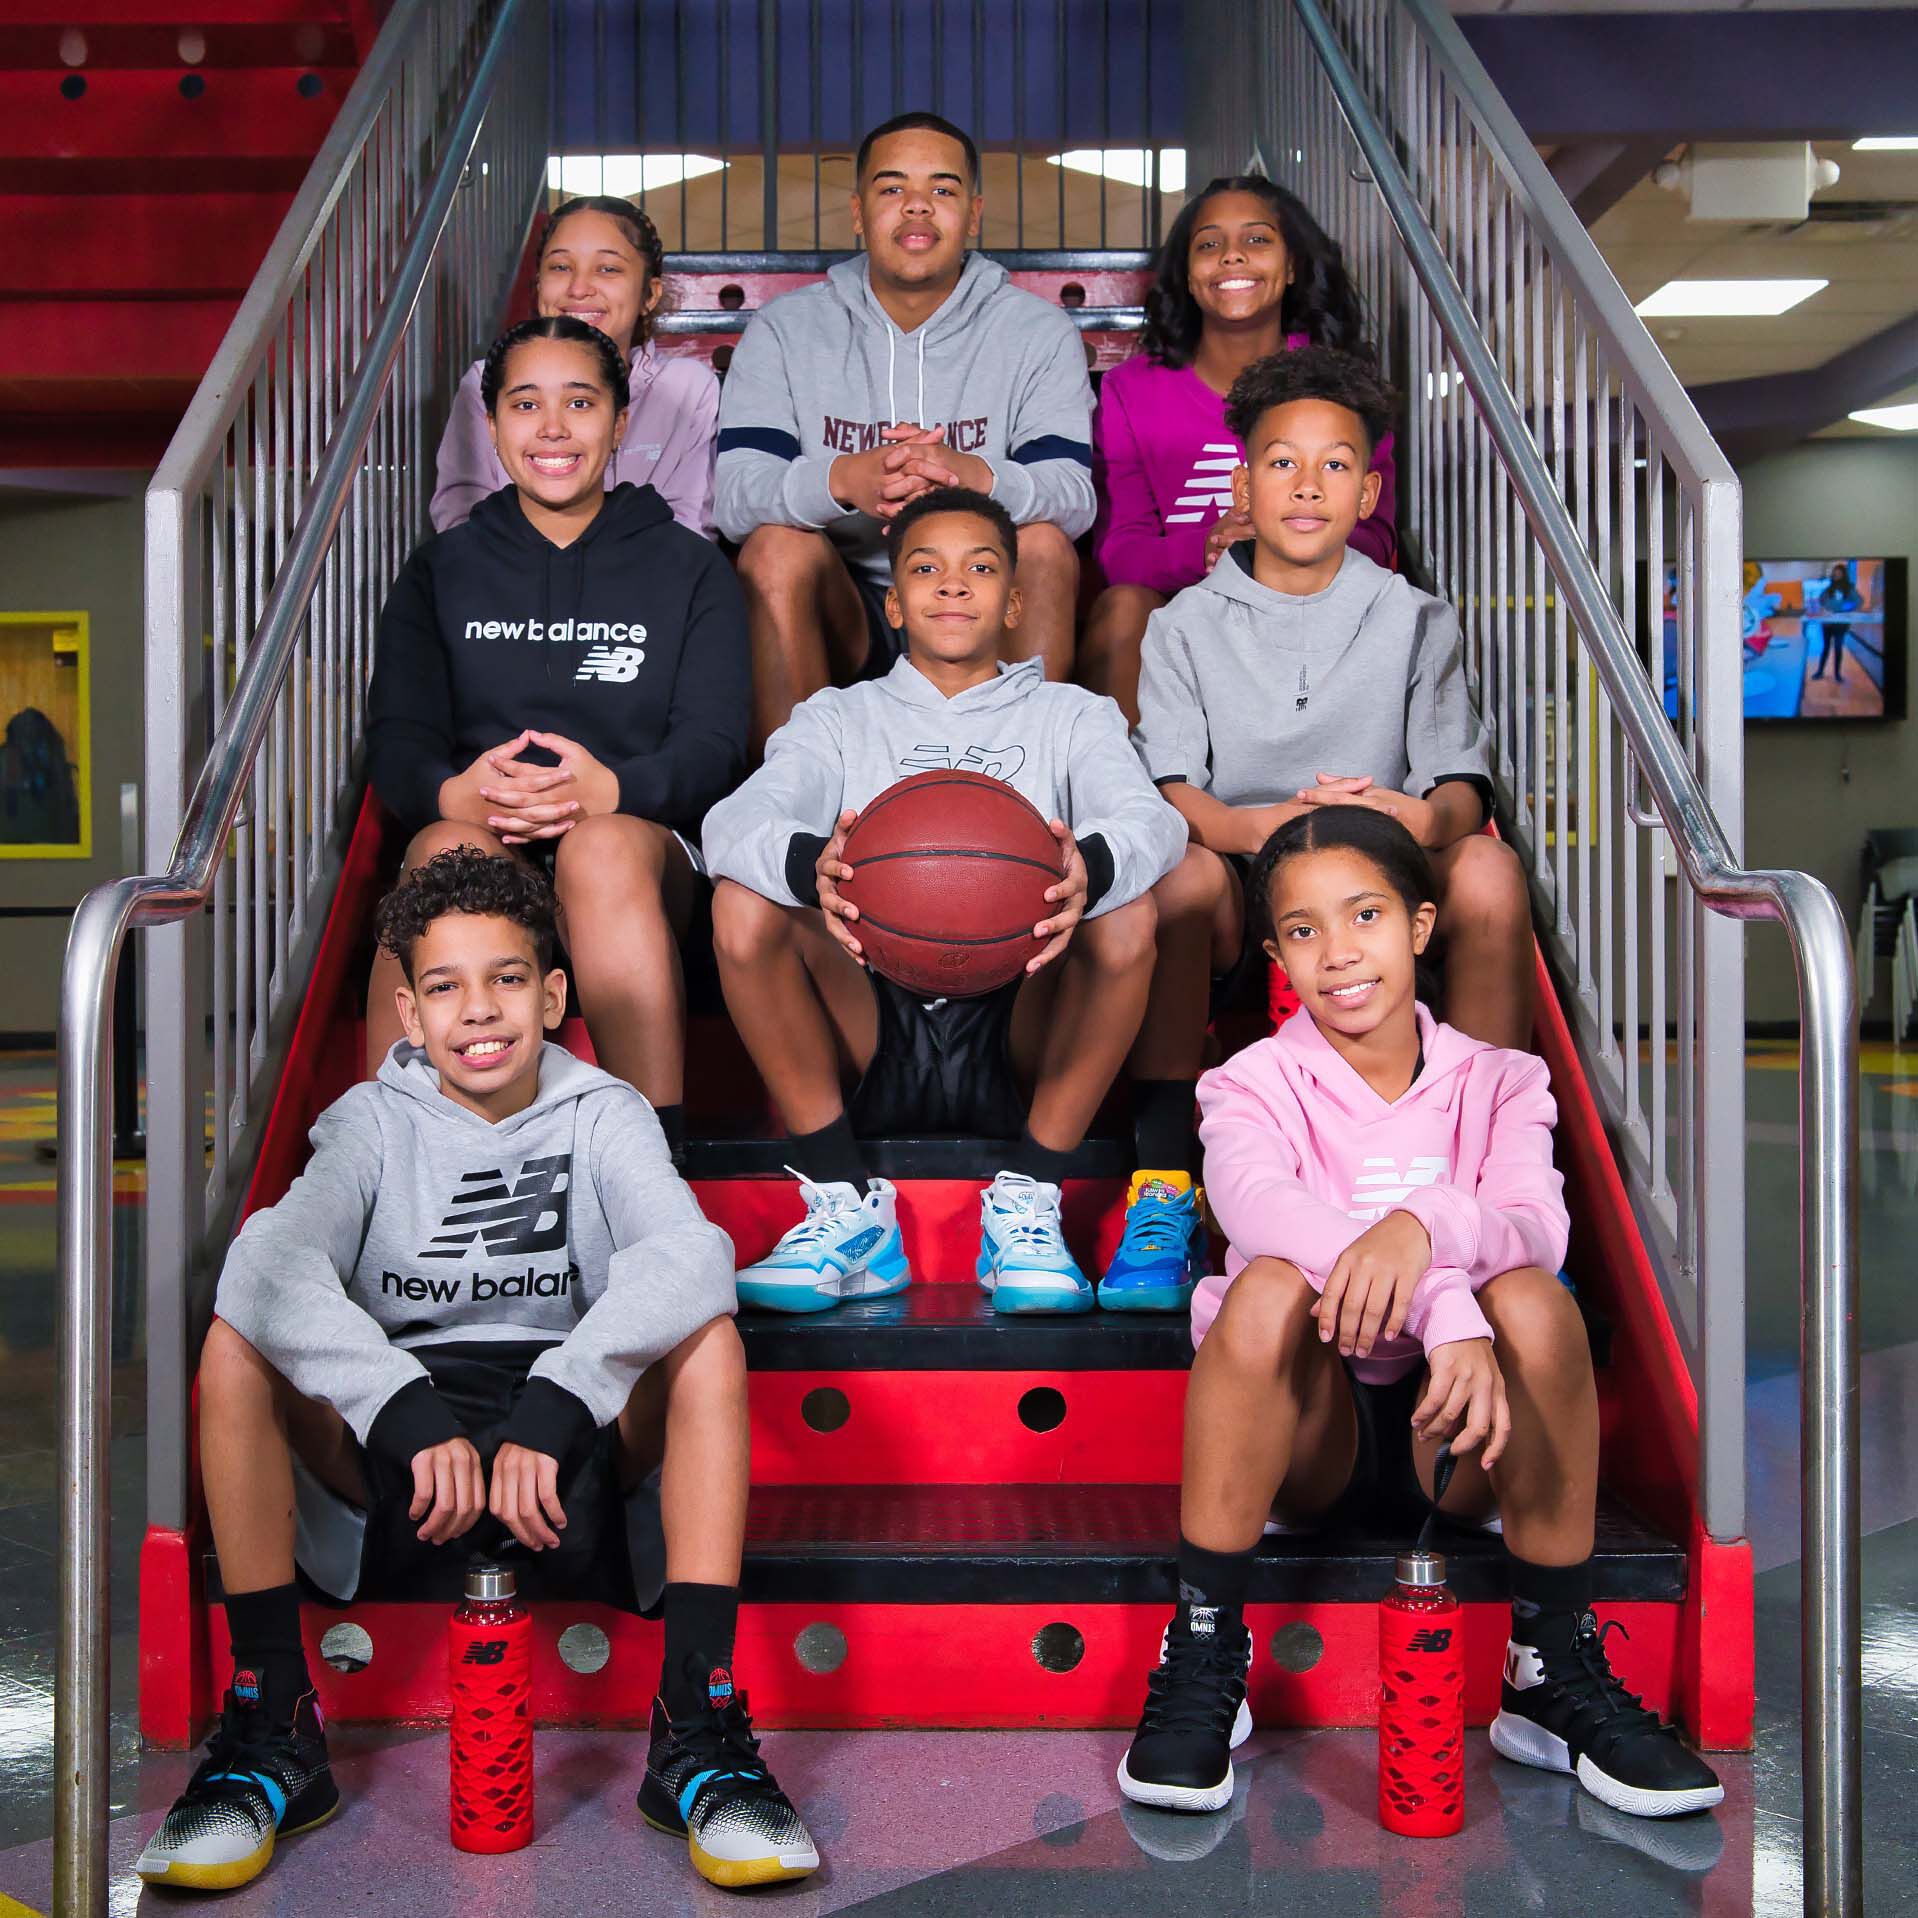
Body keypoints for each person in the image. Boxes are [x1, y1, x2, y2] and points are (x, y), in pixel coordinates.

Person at [135, 851, 820, 1893]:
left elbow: (688, 1257)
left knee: (706, 1337)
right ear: (409, 1013)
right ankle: (270, 1722)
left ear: (552, 995)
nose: (479, 1010)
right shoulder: (369, 1123)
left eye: (506, 978)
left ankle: (699, 1724)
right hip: (406, 1465)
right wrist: (397, 1405)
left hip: (565, 1455)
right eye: (446, 986)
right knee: (237, 1341)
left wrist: (562, 1395)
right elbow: (266, 1267)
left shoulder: (606, 1114)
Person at [1116, 806, 1724, 1825]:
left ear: (1422, 925)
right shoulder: (1247, 1084)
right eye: (1303, 930)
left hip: (1465, 1434)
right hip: (1309, 1436)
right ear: (1275, 955)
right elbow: (1260, 1209)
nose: (1339, 953)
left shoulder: (1502, 1078)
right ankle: (1208, 1636)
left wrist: (1423, 1223)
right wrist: (1443, 1297)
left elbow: (1536, 1224)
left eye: (1365, 915)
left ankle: (1548, 1665)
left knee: (1534, 1296)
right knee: (1267, 1281)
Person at [702, 486, 1185, 1315]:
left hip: (1022, 1010)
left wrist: (1088, 872)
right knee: (743, 904)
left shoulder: (1071, 714)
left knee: (1131, 909)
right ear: (893, 602)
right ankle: (846, 1204)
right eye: (927, 568)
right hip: (872, 1008)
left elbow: (1153, 820)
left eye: (981, 568)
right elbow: (732, 821)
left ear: (1014, 602)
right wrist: (811, 864)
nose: (953, 586)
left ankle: (1031, 1199)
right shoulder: (838, 717)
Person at [365, 316, 749, 1148]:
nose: (551, 428)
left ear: (618, 423)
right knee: (442, 847)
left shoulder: (689, 567)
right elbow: (397, 740)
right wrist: (457, 792)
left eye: (580, 403)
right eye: (524, 404)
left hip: (641, 855)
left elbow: (715, 746)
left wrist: (612, 791)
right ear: (492, 424)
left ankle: (654, 1168)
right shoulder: (441, 570)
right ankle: (396, 1162)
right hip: (486, 839)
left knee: (599, 848)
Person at [715, 111, 1095, 753]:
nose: (917, 209)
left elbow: (1074, 496)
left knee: (1047, 547)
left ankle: (1023, 795)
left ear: (973, 214)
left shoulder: (1037, 331)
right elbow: (735, 499)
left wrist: (972, 477)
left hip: (979, 593)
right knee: (774, 549)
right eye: (892, 190)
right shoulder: (785, 328)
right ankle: (791, 815)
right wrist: (846, 479)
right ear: (859, 212)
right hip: (849, 604)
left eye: (942, 191)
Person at [1082, 176, 1399, 723]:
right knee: (1123, 607)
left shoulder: (1343, 386)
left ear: (1293, 265)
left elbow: (1375, 534)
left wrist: (1282, 550)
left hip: (1310, 605)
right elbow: (1119, 551)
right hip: (1180, 608)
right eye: (1208, 244)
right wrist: (1208, 548)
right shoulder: (1130, 390)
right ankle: (1130, 802)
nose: (1231, 256)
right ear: (1185, 273)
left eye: (1256, 240)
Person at [431, 196, 718, 538]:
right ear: (538, 286)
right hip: (511, 585)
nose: (579, 288)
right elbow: (462, 520)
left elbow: (690, 527)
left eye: (608, 269)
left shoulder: (688, 389)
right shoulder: (486, 382)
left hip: (648, 587)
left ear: (650, 294)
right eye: (560, 267)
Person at [1809, 561, 1862, 683]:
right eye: (1835, 573)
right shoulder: (1829, 588)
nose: (1836, 575)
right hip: (1827, 623)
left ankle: (1837, 674)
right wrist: (1824, 609)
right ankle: (1820, 671)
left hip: (1841, 625)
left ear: (1844, 574)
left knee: (1838, 647)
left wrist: (1845, 607)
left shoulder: (1849, 588)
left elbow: (1858, 602)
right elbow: (1821, 601)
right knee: (1826, 647)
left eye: (1839, 573)